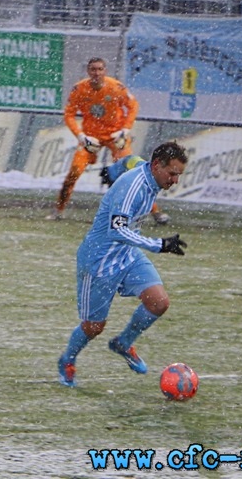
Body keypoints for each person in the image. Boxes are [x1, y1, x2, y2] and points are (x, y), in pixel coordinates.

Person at [57, 141, 189, 388]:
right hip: (99, 260)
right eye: (172, 174)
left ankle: (123, 343)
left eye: (178, 175)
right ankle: (67, 359)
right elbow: (117, 230)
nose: (174, 181)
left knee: (159, 302)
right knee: (94, 327)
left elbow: (131, 160)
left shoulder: (146, 169)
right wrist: (159, 244)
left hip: (127, 255)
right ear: (157, 166)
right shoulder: (134, 188)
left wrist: (113, 169)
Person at [47, 57, 166, 223]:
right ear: (88, 72)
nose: (96, 73)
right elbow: (69, 114)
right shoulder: (79, 89)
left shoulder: (115, 87)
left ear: (105, 71)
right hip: (91, 138)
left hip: (114, 136)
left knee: (132, 172)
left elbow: (133, 106)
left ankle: (155, 212)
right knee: (74, 171)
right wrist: (81, 135)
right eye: (93, 69)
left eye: (100, 69)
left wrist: (125, 129)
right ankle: (58, 210)